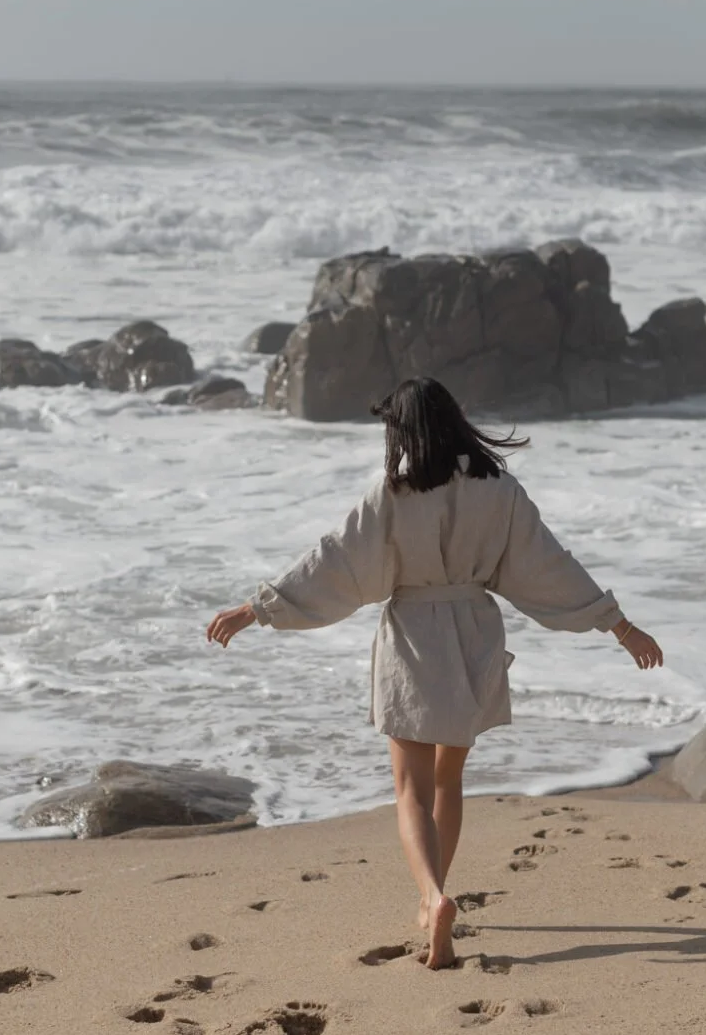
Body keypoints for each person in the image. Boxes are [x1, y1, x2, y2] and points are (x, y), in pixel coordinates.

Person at [207, 377, 663, 969]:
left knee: (411, 790)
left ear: (404, 432)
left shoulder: (393, 494)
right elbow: (550, 566)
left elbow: (334, 562)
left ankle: (431, 896)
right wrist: (620, 627)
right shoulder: (500, 490)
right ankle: (436, 897)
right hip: (475, 633)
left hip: (415, 638)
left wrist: (257, 609)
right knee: (448, 780)